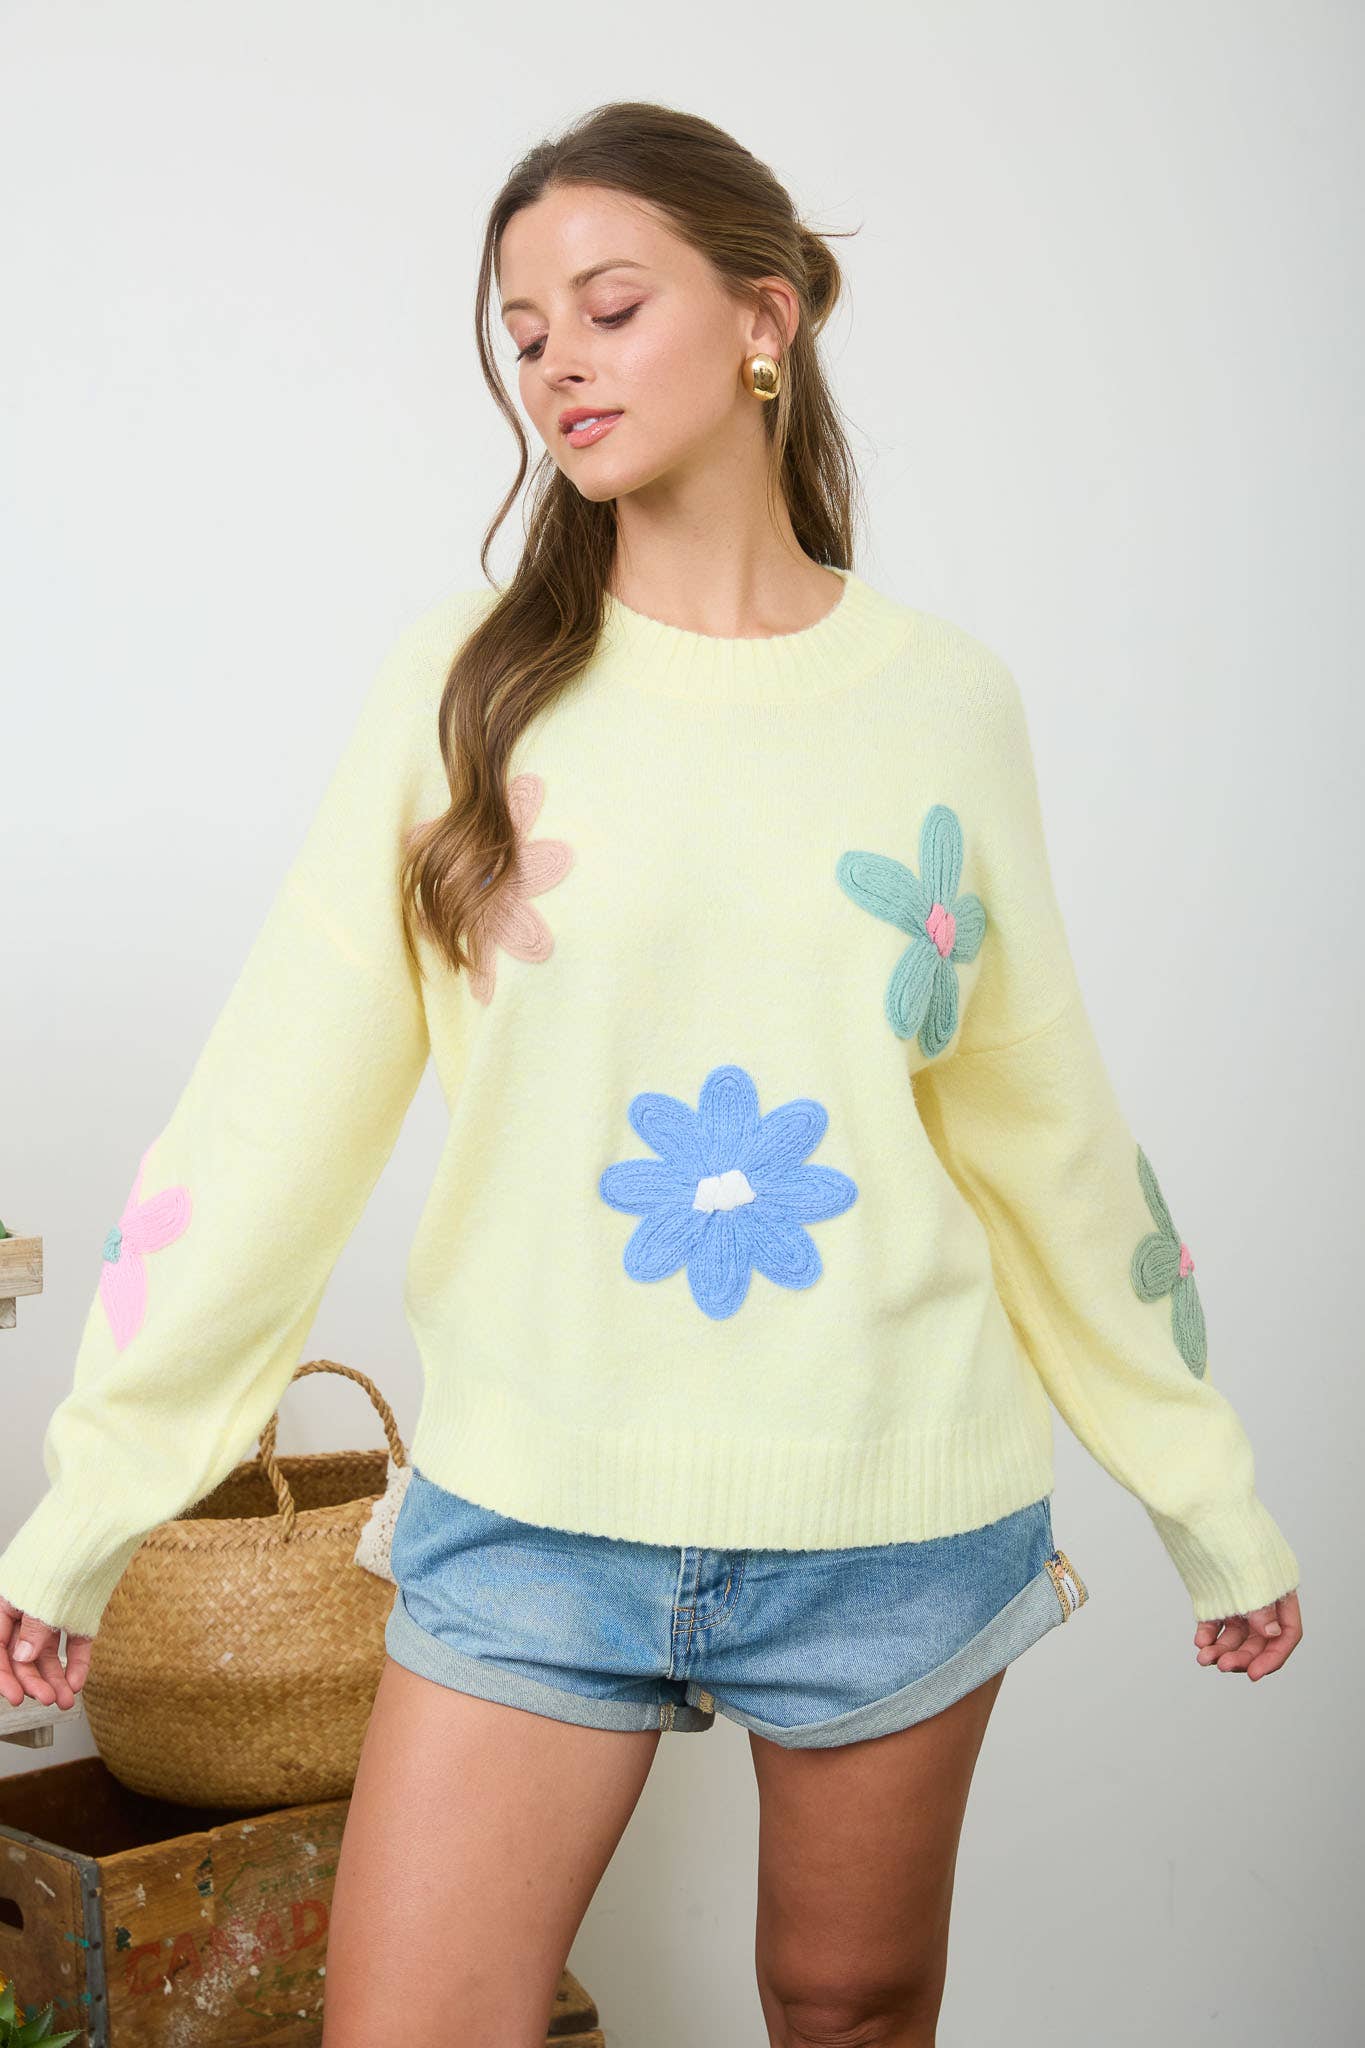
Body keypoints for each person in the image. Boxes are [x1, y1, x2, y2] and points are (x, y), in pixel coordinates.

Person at [1, 101, 1303, 2048]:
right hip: (533, 1507)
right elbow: (275, 1107)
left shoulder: (941, 703)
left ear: (766, 317)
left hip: (890, 1503)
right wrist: (96, 1497)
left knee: (847, 2008)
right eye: (524, 333)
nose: (557, 364)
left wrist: (1205, 1493)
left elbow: (1042, 1124)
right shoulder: (468, 689)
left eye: (608, 309)